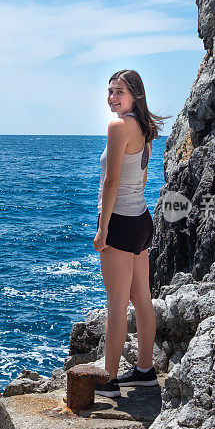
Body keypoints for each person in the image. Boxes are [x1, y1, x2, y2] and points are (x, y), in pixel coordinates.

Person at [92, 69, 167, 399]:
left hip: (121, 223)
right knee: (141, 299)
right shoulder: (144, 126)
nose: (112, 97)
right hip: (142, 219)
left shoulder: (119, 126)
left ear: (135, 93)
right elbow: (140, 175)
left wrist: (103, 228)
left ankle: (108, 381)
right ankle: (145, 370)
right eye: (109, 91)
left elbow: (111, 181)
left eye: (118, 91)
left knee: (117, 305)